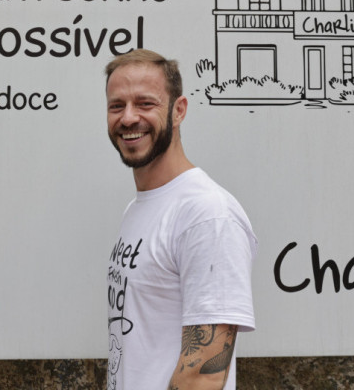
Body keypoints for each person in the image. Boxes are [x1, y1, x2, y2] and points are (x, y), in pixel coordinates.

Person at [105, 49, 257, 390]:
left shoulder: (207, 214)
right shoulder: (138, 209)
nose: (128, 118)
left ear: (179, 110)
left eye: (145, 103)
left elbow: (203, 375)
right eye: (117, 106)